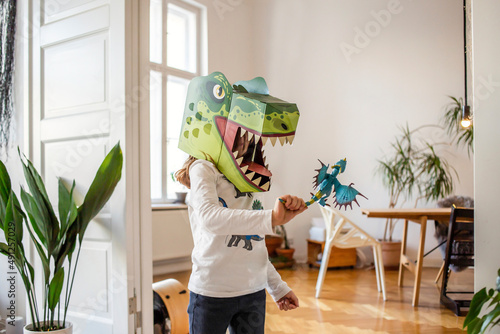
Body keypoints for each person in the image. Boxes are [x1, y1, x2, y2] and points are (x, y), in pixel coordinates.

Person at [175, 155, 307, 334]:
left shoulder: (251, 172)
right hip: (211, 295)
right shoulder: (203, 167)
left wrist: (277, 287)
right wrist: (271, 217)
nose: (244, 138)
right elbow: (210, 218)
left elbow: (256, 245)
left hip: (253, 294)